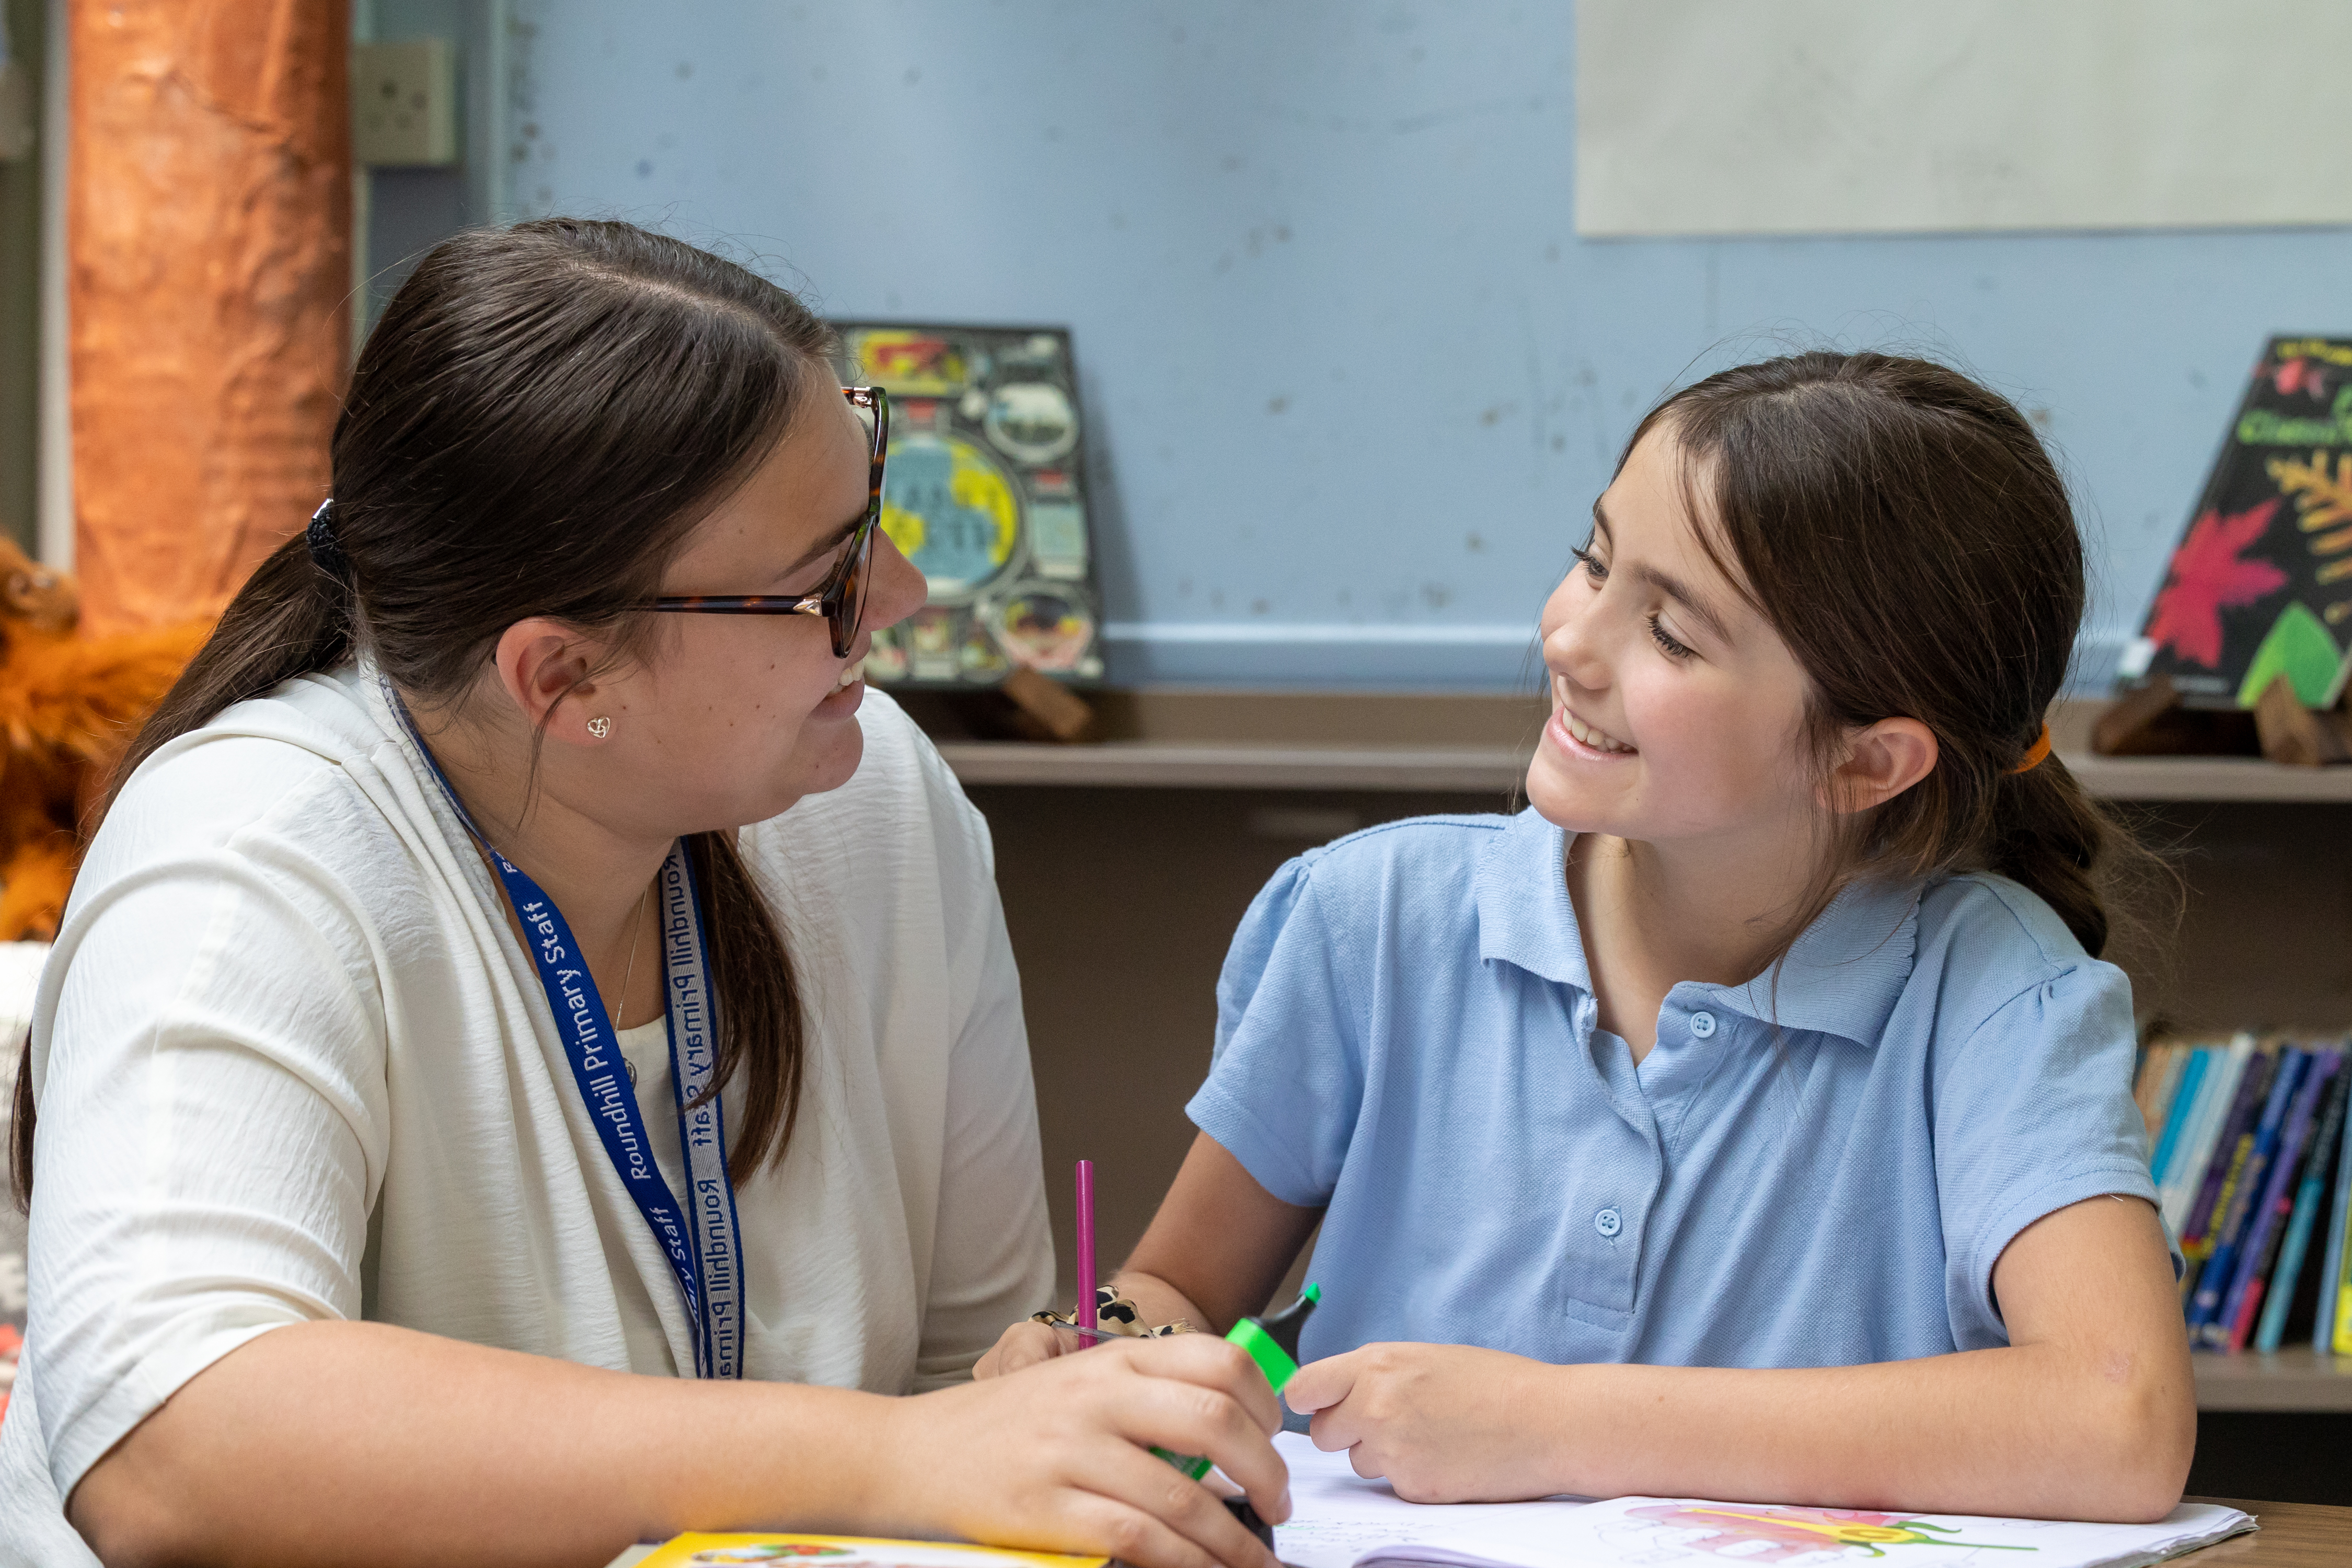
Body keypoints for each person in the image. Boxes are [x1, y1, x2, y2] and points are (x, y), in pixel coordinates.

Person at [1, 220, 1287, 1568]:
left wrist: (1040, 1405)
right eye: (823, 583)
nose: (899, 599)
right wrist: (891, 1458)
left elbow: (968, 1370)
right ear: (563, 681)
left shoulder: (871, 799)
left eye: (873, 527)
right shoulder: (252, 852)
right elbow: (170, 1447)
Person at [980, 352, 2195, 1523]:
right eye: (1594, 561)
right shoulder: (1375, 919)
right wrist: (1105, 1350)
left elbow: (2119, 1419)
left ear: (1864, 759)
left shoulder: (1992, 992)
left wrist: (1556, 1423)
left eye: (1671, 633)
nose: (1569, 639)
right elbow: (1181, 1290)